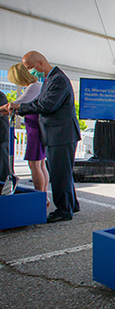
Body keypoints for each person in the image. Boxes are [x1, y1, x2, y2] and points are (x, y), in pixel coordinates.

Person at [4, 51, 81, 223]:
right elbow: (41, 103)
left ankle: (63, 210)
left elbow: (47, 105)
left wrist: (20, 107)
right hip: (57, 133)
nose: (31, 72)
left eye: (31, 67)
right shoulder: (49, 80)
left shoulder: (58, 79)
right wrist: (19, 107)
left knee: (59, 174)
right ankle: (71, 205)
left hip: (61, 134)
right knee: (63, 172)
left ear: (40, 63)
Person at [3, 64, 49, 203]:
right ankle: (44, 197)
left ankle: (40, 198)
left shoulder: (33, 87)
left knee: (34, 165)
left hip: (35, 130)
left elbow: (15, 105)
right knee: (40, 164)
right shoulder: (37, 86)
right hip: (38, 128)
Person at [0, 91, 9, 183]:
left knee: (3, 165)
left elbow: (4, 111)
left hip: (1, 136)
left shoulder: (0, 96)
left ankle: (4, 186)